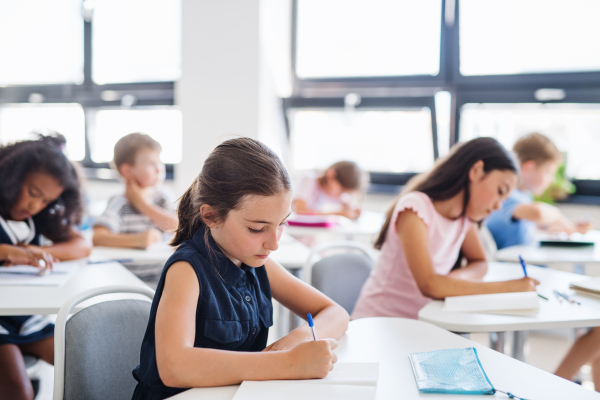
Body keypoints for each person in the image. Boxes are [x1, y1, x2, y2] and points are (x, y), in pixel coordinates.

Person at [131, 138, 349, 399]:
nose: (274, 243)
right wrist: (288, 363)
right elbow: (174, 367)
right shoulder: (187, 270)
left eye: (282, 224)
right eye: (257, 229)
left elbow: (336, 313)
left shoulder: (258, 261)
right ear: (210, 216)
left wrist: (296, 342)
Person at [351, 137, 539, 321]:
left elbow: (480, 262)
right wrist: (508, 287)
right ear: (476, 171)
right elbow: (429, 285)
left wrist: (450, 282)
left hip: (421, 324)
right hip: (378, 324)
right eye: (500, 191)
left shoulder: (464, 219)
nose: (499, 206)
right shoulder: (416, 208)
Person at [0, 134, 91, 400]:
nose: (35, 206)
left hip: (26, 317)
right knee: (19, 391)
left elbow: (81, 245)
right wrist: (7, 252)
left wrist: (37, 252)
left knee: (85, 366)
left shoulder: (35, 219)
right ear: (10, 178)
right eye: (33, 193)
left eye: (46, 201)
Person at [93, 133, 178, 287]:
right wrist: (138, 240)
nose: (159, 169)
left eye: (160, 162)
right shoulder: (120, 203)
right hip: (127, 283)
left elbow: (179, 227)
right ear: (127, 171)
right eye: (152, 164)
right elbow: (98, 237)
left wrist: (142, 205)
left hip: (164, 280)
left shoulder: (163, 197)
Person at [485, 132, 592, 250]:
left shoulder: (525, 195)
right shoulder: (507, 194)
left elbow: (533, 223)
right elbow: (537, 213)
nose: (551, 180)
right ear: (529, 168)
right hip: (510, 265)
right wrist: (558, 215)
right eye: (548, 172)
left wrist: (569, 225)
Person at [292, 161, 363, 220]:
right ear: (331, 174)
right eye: (341, 190)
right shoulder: (309, 179)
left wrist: (353, 209)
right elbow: (299, 211)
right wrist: (336, 214)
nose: (341, 194)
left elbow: (347, 203)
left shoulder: (333, 192)